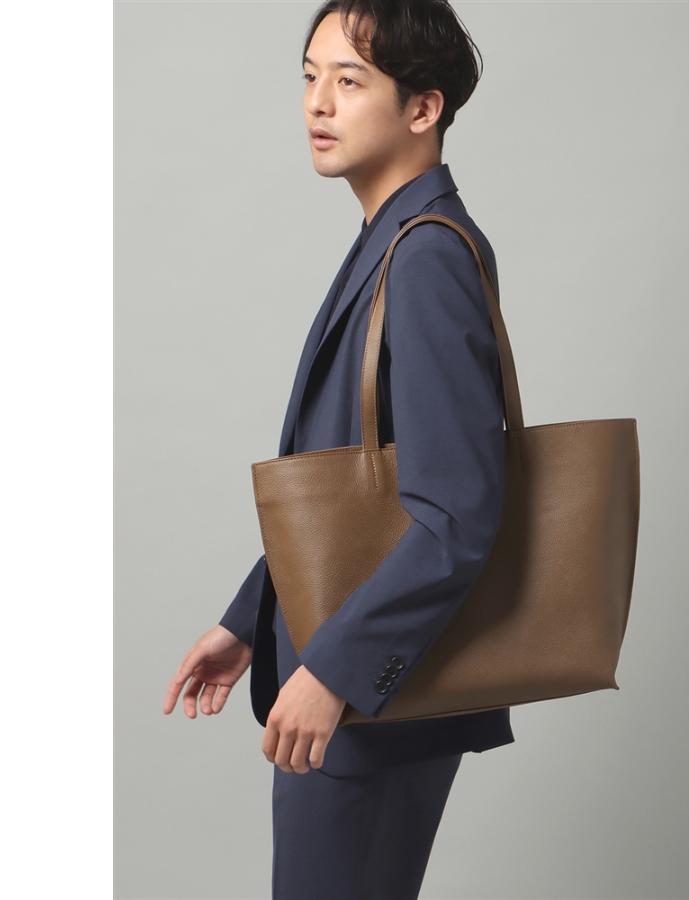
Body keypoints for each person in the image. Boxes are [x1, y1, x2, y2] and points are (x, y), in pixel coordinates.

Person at [164, 2, 513, 897]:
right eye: (310, 77)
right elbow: (360, 492)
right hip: (347, 689)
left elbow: (454, 514)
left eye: (349, 81)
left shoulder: (425, 258)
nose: (318, 103)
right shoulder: (389, 241)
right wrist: (251, 619)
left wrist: (333, 670)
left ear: (423, 108)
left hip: (369, 701)